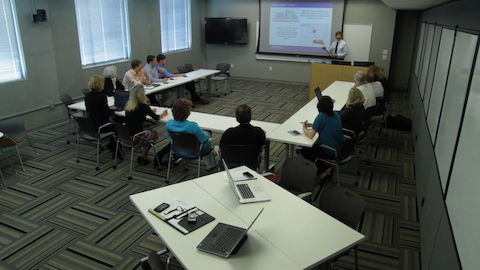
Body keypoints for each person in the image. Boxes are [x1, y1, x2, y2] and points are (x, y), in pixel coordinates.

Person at [165, 98, 216, 170]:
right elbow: (204, 140)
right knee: (208, 133)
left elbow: (170, 137)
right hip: (195, 151)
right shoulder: (192, 126)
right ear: (188, 113)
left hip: (177, 150)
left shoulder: (169, 124)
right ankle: (210, 165)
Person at [125, 84, 168, 165]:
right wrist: (164, 113)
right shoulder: (144, 106)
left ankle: (145, 156)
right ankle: (143, 154)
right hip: (137, 136)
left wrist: (149, 111)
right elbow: (157, 118)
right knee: (155, 134)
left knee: (149, 133)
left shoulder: (128, 106)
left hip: (127, 135)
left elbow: (137, 115)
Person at [301, 96, 343, 175]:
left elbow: (310, 135)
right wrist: (312, 125)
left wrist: (304, 128)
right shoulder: (335, 114)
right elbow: (325, 124)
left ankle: (323, 170)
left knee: (305, 150)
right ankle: (327, 168)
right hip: (339, 148)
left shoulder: (321, 116)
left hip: (330, 151)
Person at [85, 75, 117, 156]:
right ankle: (116, 150)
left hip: (91, 124)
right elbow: (107, 113)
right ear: (99, 84)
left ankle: (112, 145)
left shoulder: (87, 96)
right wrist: (113, 110)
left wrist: (106, 108)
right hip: (101, 125)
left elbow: (93, 109)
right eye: (103, 83)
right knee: (118, 126)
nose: (104, 84)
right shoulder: (102, 97)